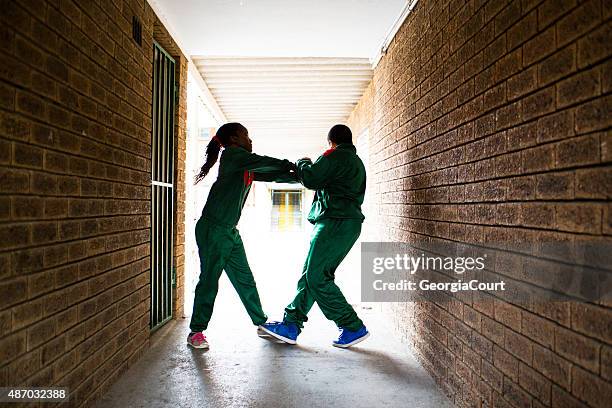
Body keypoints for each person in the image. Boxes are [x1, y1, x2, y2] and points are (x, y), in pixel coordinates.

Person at [259, 124, 369, 348]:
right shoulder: (356, 162)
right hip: (342, 223)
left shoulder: (335, 156)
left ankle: (352, 325)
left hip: (335, 223)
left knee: (317, 277)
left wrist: (303, 161)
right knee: (311, 274)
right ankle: (291, 325)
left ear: (331, 142)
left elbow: (310, 178)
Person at [187, 122, 296, 349]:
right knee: (209, 280)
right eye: (247, 135)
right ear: (235, 139)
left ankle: (261, 322)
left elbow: (272, 174)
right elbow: (267, 162)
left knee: (244, 278)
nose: (250, 140)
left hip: (228, 231)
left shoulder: (244, 165)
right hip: (213, 229)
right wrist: (290, 164)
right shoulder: (234, 156)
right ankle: (196, 331)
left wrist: (303, 176)